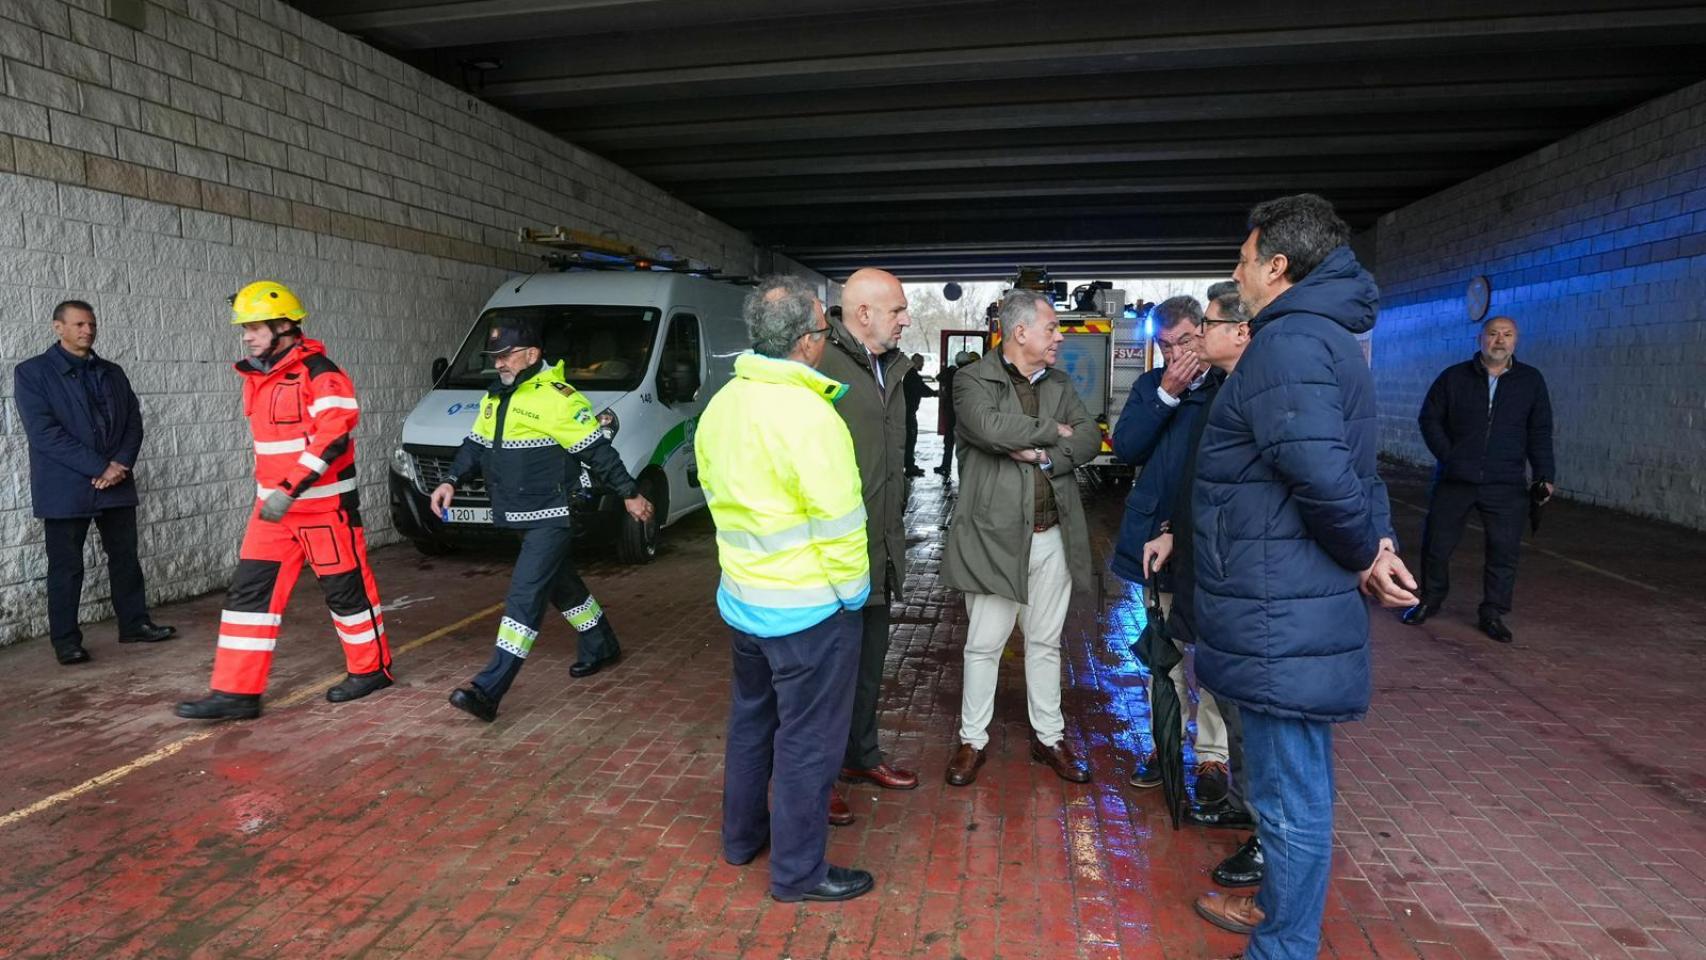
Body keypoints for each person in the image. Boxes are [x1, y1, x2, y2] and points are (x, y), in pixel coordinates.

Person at [1189, 195, 1418, 958]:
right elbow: (1357, 468)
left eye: (1245, 258)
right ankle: (1282, 920)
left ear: (1278, 267)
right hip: (1284, 595)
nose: (1237, 270)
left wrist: (1364, 553)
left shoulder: (1287, 347)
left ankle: (1284, 946)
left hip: (1277, 603)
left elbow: (1322, 477)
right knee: (1290, 784)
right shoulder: (1325, 340)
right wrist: (1377, 544)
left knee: (1289, 794)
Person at [697, 275, 875, 904]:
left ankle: (741, 839)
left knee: (751, 724)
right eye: (825, 334)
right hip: (808, 614)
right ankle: (799, 873)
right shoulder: (810, 416)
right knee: (808, 743)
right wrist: (853, 597)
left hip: (744, 603)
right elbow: (841, 524)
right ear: (805, 342)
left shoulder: (723, 405)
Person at [175, 282, 393, 720]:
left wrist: (290, 488)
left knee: (345, 593)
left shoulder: (321, 372)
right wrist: (274, 496)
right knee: (249, 597)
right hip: (272, 515)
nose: (246, 336)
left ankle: (372, 671)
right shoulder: (259, 377)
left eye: (254, 327)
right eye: (245, 328)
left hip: (322, 511)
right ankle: (236, 693)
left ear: (284, 326)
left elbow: (333, 434)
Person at [433, 321, 653, 722]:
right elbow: (476, 445)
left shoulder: (559, 398)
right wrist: (449, 480)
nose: (498, 363)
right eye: (494, 357)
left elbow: (597, 453)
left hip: (553, 514)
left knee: (524, 596)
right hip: (519, 514)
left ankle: (489, 689)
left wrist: (630, 494)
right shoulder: (497, 397)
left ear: (532, 355)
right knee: (561, 585)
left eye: (506, 355)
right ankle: (600, 643)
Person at [942, 290, 1101, 787]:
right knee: (983, 645)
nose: (1059, 336)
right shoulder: (973, 378)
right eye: (1052, 328)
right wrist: (1051, 429)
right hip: (994, 538)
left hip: (1051, 533)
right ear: (1020, 333)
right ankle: (973, 740)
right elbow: (985, 427)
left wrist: (1042, 454)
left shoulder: (1058, 380)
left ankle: (1049, 738)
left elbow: (1090, 437)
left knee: (1046, 643)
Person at [1142, 286, 1264, 891]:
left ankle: (1268, 836)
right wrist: (1172, 530)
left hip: (1244, 572)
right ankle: (1246, 807)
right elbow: (1200, 480)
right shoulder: (1220, 390)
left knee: (1250, 702)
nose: (1188, 346)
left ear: (1236, 332)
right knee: (1226, 683)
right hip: (1203, 560)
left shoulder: (1258, 390)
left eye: (1204, 328)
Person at [1108, 294, 1233, 806]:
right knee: (1165, 653)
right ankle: (1166, 745)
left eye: (1184, 341)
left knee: (1215, 652)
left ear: (1204, 333)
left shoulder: (1230, 389)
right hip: (1154, 544)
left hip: (1211, 543)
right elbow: (1126, 448)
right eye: (1165, 345)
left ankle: (1212, 756)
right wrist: (1166, 393)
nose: (1175, 352)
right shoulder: (1149, 387)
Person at [15, 300, 175, 665]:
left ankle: (135, 624)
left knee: (125, 558)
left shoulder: (113, 372)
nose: (87, 330)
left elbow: (133, 421)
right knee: (66, 566)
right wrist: (100, 467)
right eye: (78, 324)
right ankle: (66, 641)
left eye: (91, 324)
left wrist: (120, 464)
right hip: (65, 487)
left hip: (116, 481)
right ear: (58, 327)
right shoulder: (32, 373)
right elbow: (44, 433)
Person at [817, 268, 918, 823]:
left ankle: (860, 756)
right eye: (898, 310)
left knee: (869, 664)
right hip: (832, 556)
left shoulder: (892, 367)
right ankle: (822, 774)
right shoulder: (819, 365)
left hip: (877, 546)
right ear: (863, 315)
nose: (906, 319)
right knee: (829, 672)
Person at [1403, 316, 1555, 643]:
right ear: (1480, 338)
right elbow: (1430, 419)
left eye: (1507, 334)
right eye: (1493, 334)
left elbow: (1540, 431)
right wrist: (1450, 456)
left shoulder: (1531, 381)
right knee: (1438, 544)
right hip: (1456, 478)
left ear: (1516, 340)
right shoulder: (1453, 378)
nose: (1499, 340)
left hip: (1506, 482)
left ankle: (1493, 613)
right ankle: (1430, 599)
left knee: (1504, 550)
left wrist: (1545, 474)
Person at [902, 352, 938, 478]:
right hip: (908, 413)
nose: (923, 365)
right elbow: (921, 389)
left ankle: (910, 465)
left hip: (908, 412)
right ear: (916, 363)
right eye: (921, 362)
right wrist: (935, 393)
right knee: (910, 439)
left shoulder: (910, 374)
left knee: (910, 439)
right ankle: (909, 467)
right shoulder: (912, 376)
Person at [933, 351, 968, 478]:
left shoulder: (952, 373)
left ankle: (945, 466)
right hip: (965, 415)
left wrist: (949, 369)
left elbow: (938, 377)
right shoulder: (970, 374)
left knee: (948, 443)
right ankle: (965, 470)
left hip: (951, 413)